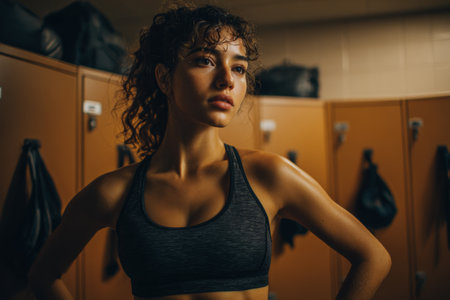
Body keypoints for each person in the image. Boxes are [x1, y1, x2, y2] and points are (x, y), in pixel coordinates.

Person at [28, 4, 391, 300]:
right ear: (164, 78)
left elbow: (373, 257)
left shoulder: (268, 175)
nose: (227, 80)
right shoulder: (115, 192)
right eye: (205, 60)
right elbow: (43, 275)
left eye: (239, 68)